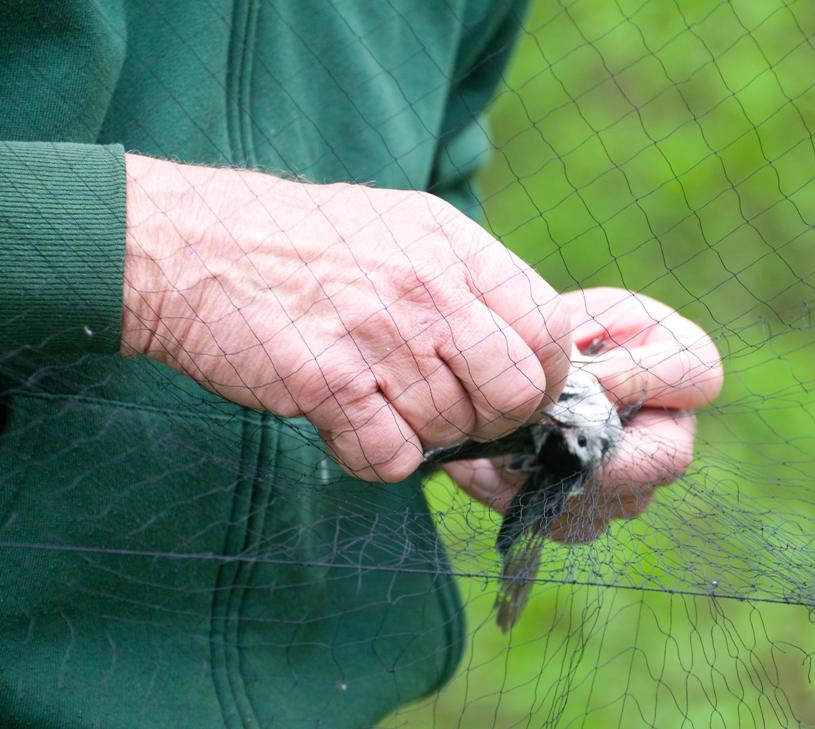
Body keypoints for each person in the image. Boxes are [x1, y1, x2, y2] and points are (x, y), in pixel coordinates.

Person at [0, 2, 722, 727]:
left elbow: (429, 195)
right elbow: (274, 265)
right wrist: (153, 246)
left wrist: (499, 396)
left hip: (323, 691)